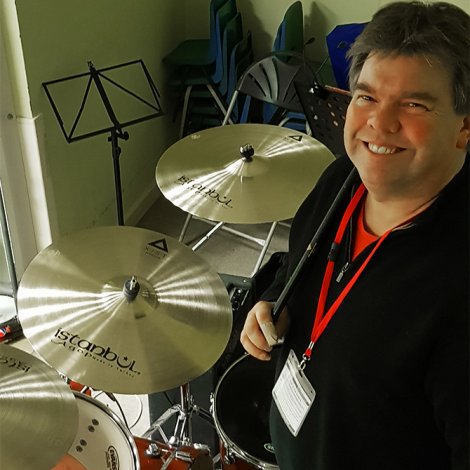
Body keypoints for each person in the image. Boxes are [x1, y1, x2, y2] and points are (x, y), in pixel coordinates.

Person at [240, 2, 469, 469]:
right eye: (366, 97)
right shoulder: (343, 178)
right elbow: (300, 263)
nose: (379, 124)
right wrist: (275, 301)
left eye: (414, 104)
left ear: (464, 128)